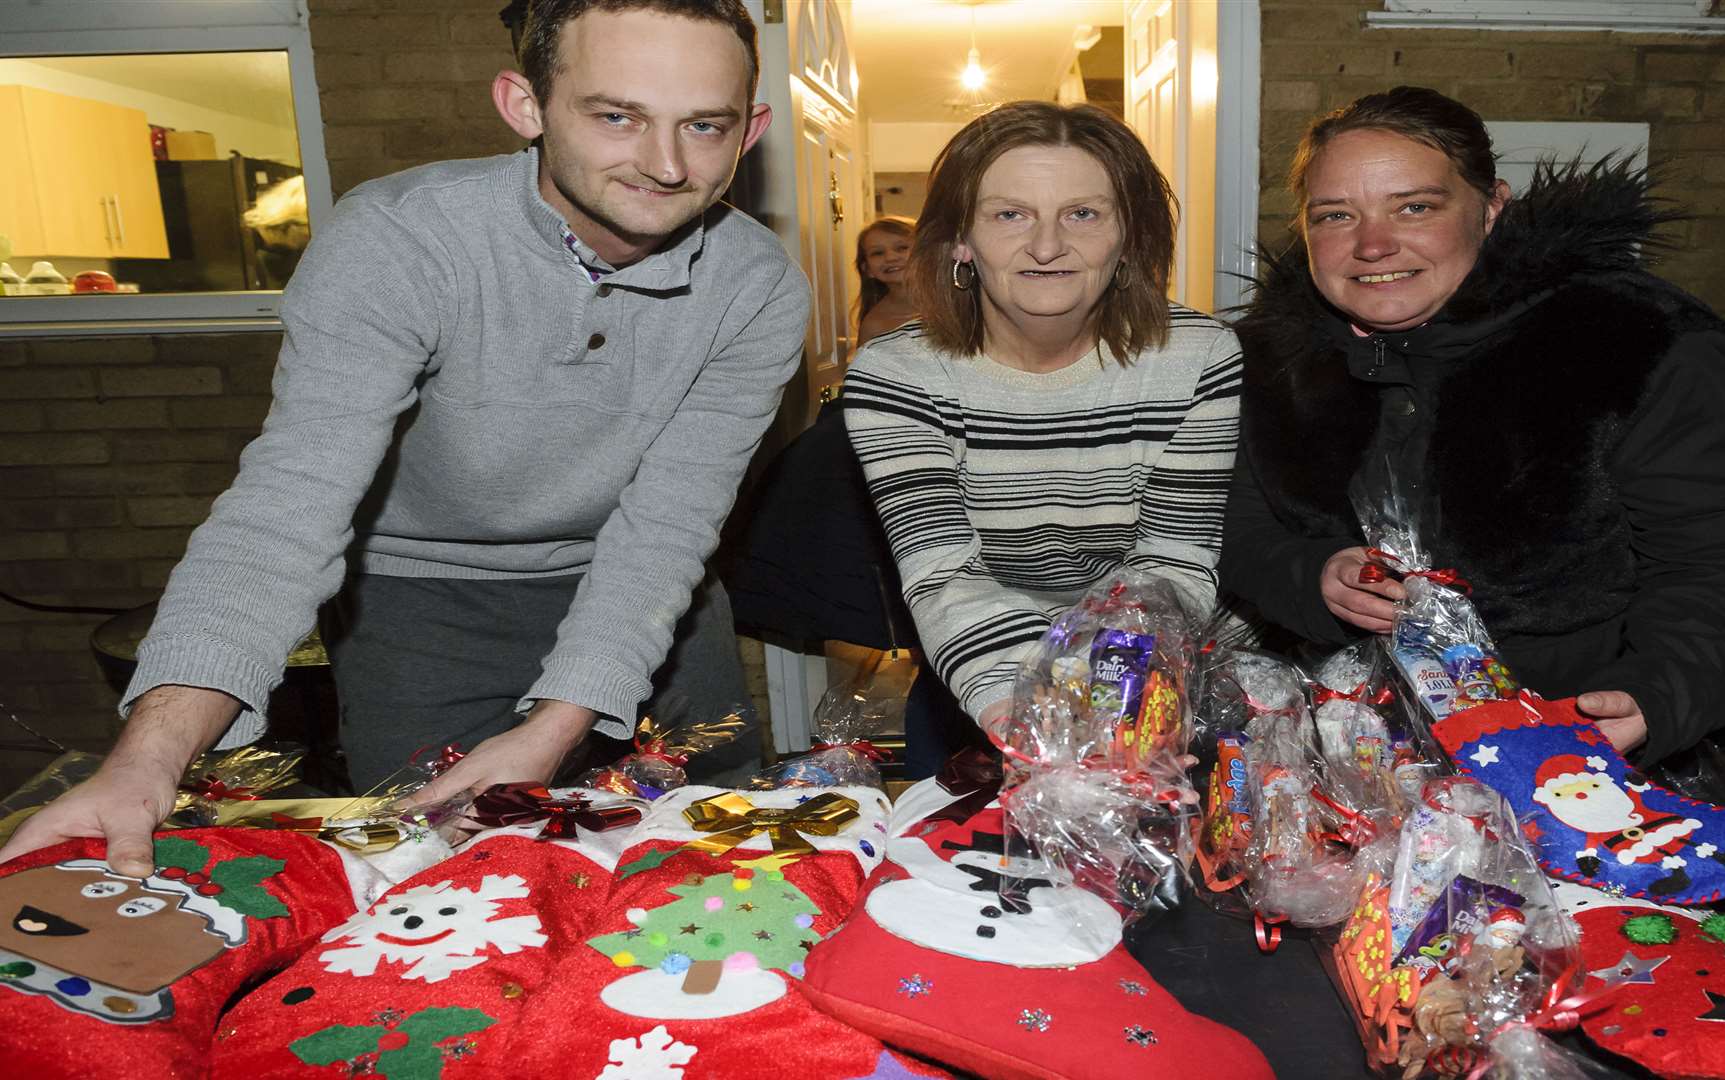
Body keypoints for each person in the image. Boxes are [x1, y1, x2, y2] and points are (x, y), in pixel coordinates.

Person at [0, 0, 809, 875]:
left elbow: (668, 526)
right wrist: (148, 761)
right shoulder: (402, 239)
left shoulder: (757, 286)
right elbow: (288, 509)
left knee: (713, 878)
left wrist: (558, 726)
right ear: (524, 106)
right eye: (617, 115)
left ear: (749, 131)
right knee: (439, 890)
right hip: (418, 604)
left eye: (704, 125)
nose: (663, 163)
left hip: (655, 602)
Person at [1220, 86, 1725, 766]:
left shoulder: (1635, 343)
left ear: (1492, 207)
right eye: (1335, 215)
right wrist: (1312, 574)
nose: (1373, 244)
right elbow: (1240, 531)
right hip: (1339, 749)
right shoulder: (1270, 361)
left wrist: (1658, 693)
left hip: (1574, 744)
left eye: (1415, 206)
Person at [842, 101, 1241, 741]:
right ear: (960, 241)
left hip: (1155, 670)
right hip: (979, 662)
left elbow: (1174, 558)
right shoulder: (897, 375)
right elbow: (944, 572)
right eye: (1010, 214)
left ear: (1129, 235)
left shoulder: (1199, 358)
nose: (1048, 246)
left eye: (1082, 213)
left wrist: (1110, 691)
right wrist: (1021, 708)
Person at [853, 215, 916, 347]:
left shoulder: (956, 304)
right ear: (867, 269)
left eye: (902, 248)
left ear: (927, 252)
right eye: (878, 253)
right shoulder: (873, 325)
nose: (891, 257)